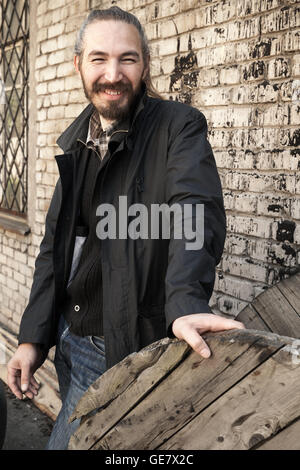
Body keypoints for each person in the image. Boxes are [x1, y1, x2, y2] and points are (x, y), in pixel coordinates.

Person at [7, 7, 244, 449]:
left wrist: (187, 301)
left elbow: (194, 209)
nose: (113, 74)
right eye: (99, 58)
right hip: (68, 338)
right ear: (78, 64)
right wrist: (32, 337)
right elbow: (55, 247)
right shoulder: (78, 142)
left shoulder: (178, 127)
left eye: (127, 59)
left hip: (116, 348)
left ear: (145, 65)